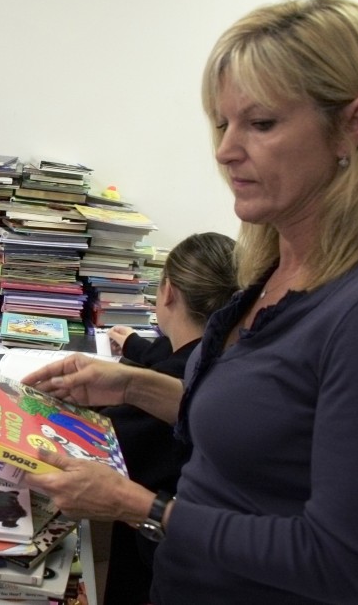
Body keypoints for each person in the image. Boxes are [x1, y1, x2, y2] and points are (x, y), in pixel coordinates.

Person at [22, 0, 358, 604]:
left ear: (352, 124)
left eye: (261, 124)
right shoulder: (273, 263)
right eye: (222, 123)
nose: (225, 150)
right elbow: (272, 424)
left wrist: (137, 505)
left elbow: (339, 564)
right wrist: (133, 384)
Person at [100, 232, 238, 605]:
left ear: (168, 292)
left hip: (151, 564)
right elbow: (168, 353)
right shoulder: (225, 359)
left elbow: (104, 440)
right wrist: (134, 344)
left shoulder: (168, 396)